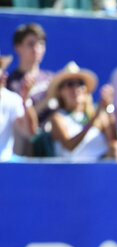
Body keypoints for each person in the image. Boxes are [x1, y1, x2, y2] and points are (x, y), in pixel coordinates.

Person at [48, 61, 117, 161]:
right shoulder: (58, 118)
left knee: (116, 147)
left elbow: (113, 140)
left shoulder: (96, 115)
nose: (76, 89)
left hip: (101, 169)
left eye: (80, 83)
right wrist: (92, 121)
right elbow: (69, 146)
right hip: (71, 171)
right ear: (60, 91)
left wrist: (108, 108)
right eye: (70, 84)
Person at [6, 23, 54, 156]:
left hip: (52, 143)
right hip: (24, 146)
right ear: (18, 47)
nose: (36, 49)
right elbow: (20, 120)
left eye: (41, 44)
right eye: (31, 44)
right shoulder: (10, 82)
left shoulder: (52, 79)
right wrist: (47, 99)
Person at [0, 51, 38, 161]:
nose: (4, 75)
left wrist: (25, 100)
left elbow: (30, 132)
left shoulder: (12, 99)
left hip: (5, 165)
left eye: (2, 68)